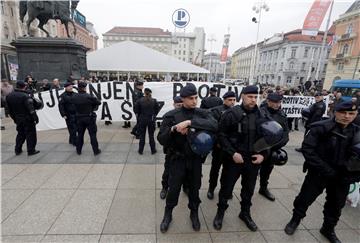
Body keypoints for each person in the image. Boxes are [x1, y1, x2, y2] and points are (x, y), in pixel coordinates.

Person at [284, 100, 360, 243]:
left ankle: (328, 229)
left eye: (351, 113)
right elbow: (308, 150)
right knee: (304, 199)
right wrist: (327, 170)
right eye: (343, 112)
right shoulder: (321, 127)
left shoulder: (357, 132)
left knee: (336, 205)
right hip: (319, 173)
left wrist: (352, 173)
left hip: (341, 177)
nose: (347, 116)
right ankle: (295, 221)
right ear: (335, 112)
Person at [158, 83, 218, 233]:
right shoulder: (171, 115)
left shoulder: (201, 113)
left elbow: (214, 124)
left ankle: (194, 213)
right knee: (174, 189)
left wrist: (191, 123)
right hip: (178, 159)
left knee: (194, 189)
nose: (194, 101)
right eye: (191, 98)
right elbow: (161, 139)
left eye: (196, 97)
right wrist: (173, 129)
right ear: (183, 99)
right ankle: (168, 214)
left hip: (195, 160)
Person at [213, 85, 274, 231]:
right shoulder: (231, 114)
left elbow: (269, 137)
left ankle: (245, 213)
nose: (253, 100)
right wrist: (232, 153)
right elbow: (221, 135)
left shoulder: (262, 115)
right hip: (234, 159)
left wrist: (263, 155)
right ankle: (220, 212)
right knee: (226, 189)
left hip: (253, 160)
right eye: (250, 97)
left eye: (256, 97)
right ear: (243, 96)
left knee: (249, 189)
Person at [259, 93, 289, 201]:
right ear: (268, 101)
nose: (277, 105)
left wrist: (279, 144)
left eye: (279, 102)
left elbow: (285, 132)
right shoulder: (260, 113)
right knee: (250, 173)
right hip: (259, 147)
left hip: (273, 149)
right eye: (275, 102)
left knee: (267, 170)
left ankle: (263, 188)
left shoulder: (282, 114)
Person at [207, 91, 236, 200]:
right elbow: (214, 129)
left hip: (231, 148)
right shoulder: (217, 111)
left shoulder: (237, 111)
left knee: (228, 171)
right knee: (215, 169)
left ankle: (226, 191)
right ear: (224, 100)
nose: (232, 102)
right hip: (219, 147)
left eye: (234, 100)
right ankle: (211, 188)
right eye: (230, 100)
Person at [6, 81, 40, 155]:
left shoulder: (9, 96)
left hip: (18, 118)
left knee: (20, 134)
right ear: (24, 86)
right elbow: (31, 109)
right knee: (30, 134)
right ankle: (31, 150)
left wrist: (14, 118)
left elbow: (9, 110)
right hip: (27, 118)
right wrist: (35, 118)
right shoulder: (25, 96)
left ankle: (17, 149)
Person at [160, 96, 183, 199]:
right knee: (167, 172)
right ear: (174, 105)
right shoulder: (168, 116)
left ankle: (186, 187)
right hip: (172, 151)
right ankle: (165, 188)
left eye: (182, 105)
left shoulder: (187, 116)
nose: (180, 107)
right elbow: (162, 136)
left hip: (184, 150)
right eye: (178, 105)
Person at [71, 82, 101, 155]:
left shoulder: (74, 96)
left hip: (79, 118)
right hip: (89, 118)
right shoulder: (89, 96)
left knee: (80, 135)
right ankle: (95, 150)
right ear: (84, 88)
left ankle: (78, 150)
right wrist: (92, 106)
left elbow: (73, 106)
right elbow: (98, 102)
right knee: (92, 135)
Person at [134, 88, 160, 154]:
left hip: (142, 119)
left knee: (142, 136)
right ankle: (153, 150)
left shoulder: (139, 100)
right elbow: (157, 110)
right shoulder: (154, 100)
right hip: (151, 119)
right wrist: (153, 115)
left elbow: (136, 110)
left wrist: (139, 116)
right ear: (150, 93)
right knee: (151, 136)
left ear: (144, 93)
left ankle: (140, 150)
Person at [58, 81, 77, 146]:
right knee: (72, 128)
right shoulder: (62, 96)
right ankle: (75, 141)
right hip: (68, 115)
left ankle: (71, 140)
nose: (71, 87)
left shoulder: (75, 94)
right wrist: (63, 114)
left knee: (75, 128)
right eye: (69, 86)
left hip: (76, 114)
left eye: (71, 86)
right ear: (66, 87)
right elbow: (61, 106)